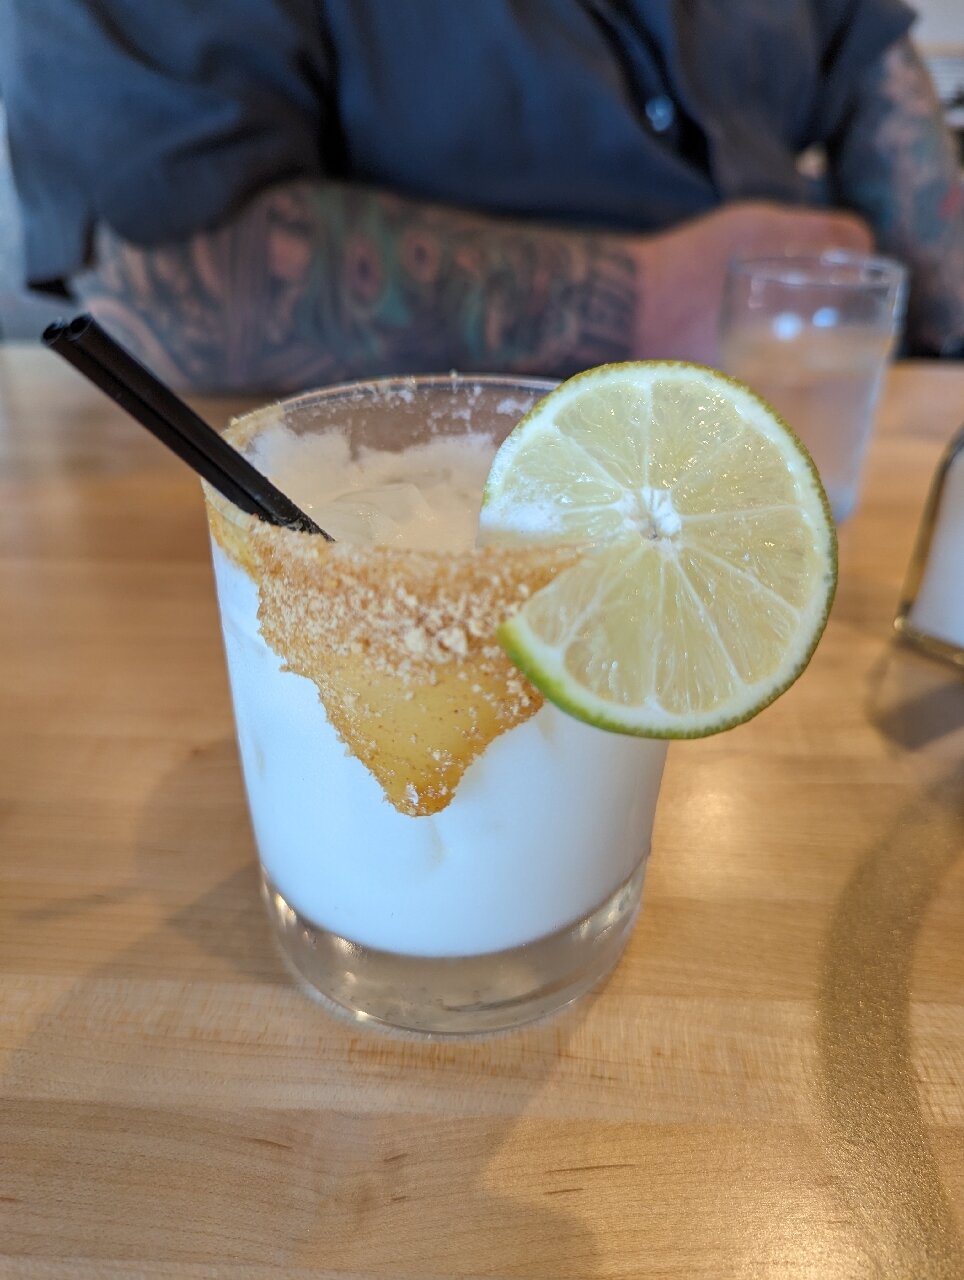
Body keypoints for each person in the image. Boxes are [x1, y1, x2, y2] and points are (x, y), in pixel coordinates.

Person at [0, 0, 961, 393]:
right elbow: (164, 281)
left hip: (803, 452)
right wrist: (655, 301)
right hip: (389, 513)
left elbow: (865, 59)